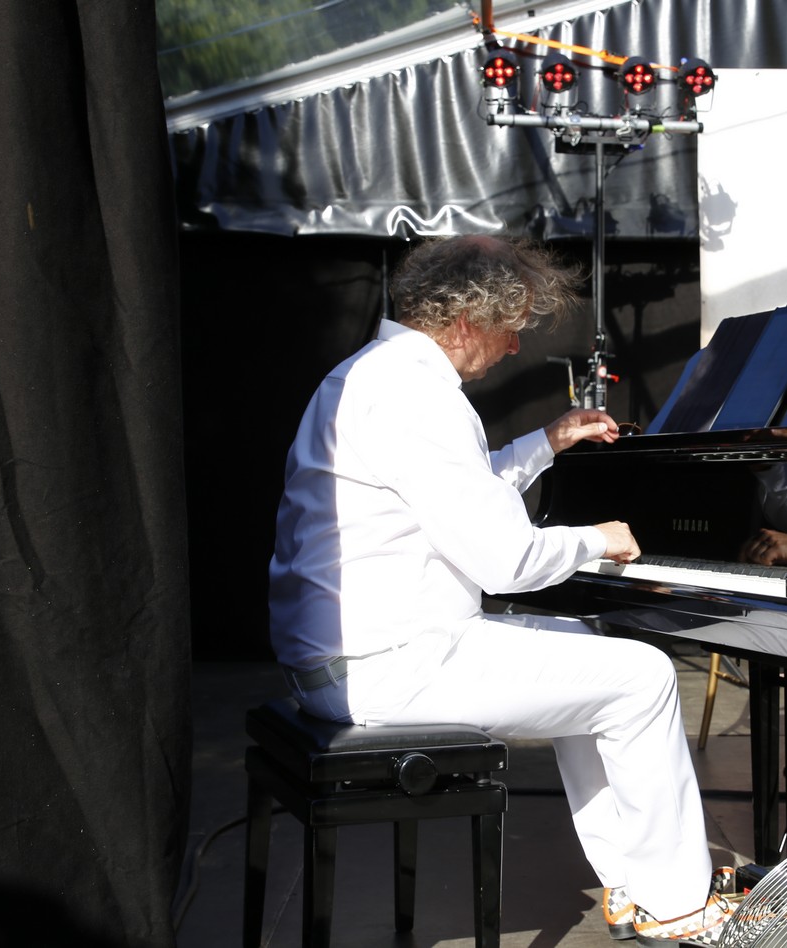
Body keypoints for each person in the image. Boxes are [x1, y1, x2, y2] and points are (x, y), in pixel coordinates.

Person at [268, 235, 735, 945]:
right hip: (389, 668)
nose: (516, 346)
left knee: (585, 646)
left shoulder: (371, 375)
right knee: (644, 677)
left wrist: (547, 441)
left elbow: (458, 490)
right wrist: (598, 538)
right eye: (510, 327)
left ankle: (634, 885)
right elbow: (507, 563)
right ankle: (676, 905)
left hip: (350, 659)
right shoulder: (419, 397)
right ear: (464, 322)